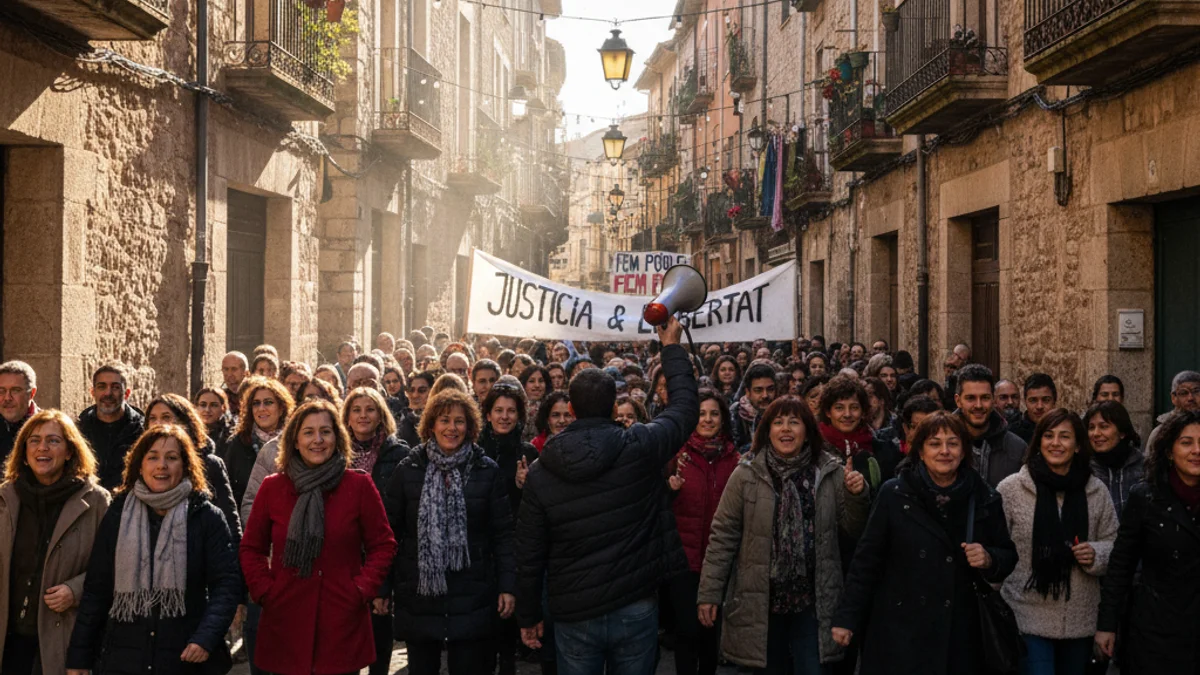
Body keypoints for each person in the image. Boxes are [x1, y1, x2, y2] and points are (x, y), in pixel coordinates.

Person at [516, 318, 698, 675]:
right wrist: (671, 347)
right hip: (634, 603)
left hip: (574, 609)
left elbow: (529, 552)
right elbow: (684, 411)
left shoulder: (541, 470)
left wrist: (529, 614)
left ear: (571, 411)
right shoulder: (640, 446)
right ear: (615, 408)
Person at [832, 412, 1018, 675]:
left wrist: (989, 558)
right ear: (920, 451)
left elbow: (1007, 555)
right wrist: (847, 618)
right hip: (901, 629)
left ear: (964, 451)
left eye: (953, 443)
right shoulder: (895, 494)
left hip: (959, 631)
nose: (944, 451)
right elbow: (866, 561)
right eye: (934, 444)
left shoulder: (983, 496)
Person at [696, 396, 869, 673]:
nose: (786, 429)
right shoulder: (746, 474)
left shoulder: (829, 472)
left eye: (794, 422)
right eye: (778, 422)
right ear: (767, 431)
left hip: (813, 602)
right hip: (761, 602)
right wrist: (709, 593)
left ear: (807, 431)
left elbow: (854, 529)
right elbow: (723, 537)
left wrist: (857, 495)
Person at [66, 425, 242, 675]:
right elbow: (97, 589)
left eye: (172, 458)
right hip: (122, 659)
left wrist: (206, 638)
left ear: (185, 466)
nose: (162, 466)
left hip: (186, 658)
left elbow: (226, 585)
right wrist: (79, 657)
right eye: (153, 457)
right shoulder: (118, 514)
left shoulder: (206, 517)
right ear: (139, 465)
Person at [240, 399, 395, 675]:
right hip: (285, 619)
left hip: (341, 621)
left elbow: (382, 545)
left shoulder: (358, 485)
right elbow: (252, 548)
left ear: (338, 437)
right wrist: (265, 591)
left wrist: (360, 590)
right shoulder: (273, 488)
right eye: (308, 432)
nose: (318, 440)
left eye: (326, 431)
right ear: (295, 441)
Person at [384, 389, 516, 675]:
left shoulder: (486, 470)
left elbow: (503, 535)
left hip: (472, 592)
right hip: (420, 595)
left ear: (470, 426)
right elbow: (389, 535)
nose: (451, 428)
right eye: (444, 420)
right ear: (431, 425)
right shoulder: (409, 469)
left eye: (459, 421)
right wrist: (384, 588)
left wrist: (507, 585)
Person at [997, 409, 1119, 675]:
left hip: (1080, 619)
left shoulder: (1096, 490)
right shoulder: (1011, 489)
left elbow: (1115, 544)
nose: (1055, 443)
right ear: (1038, 441)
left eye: (1064, 437)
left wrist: (1096, 553)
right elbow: (996, 546)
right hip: (1025, 615)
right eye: (1048, 435)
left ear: (1077, 445)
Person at [0, 410, 110, 675]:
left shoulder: (96, 501)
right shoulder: (5, 497)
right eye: (34, 440)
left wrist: (76, 590)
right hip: (7, 639)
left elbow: (113, 566)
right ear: (23, 451)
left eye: (53, 440)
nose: (42, 448)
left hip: (61, 636)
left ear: (70, 451)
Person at [1095, 410, 1200, 673]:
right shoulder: (1145, 497)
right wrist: (1107, 625)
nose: (1197, 451)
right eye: (1186, 442)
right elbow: (1121, 565)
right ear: (1169, 451)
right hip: (1155, 629)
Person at [665, 389, 739, 675]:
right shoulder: (676, 454)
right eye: (701, 414)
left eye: (714, 414)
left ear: (723, 418)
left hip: (718, 561)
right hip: (683, 560)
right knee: (687, 631)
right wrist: (669, 490)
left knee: (710, 632)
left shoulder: (734, 459)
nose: (707, 420)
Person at [340, 387, 409, 675]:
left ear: (381, 415)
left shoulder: (399, 454)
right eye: (356, 410)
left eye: (370, 409)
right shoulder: (335, 453)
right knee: (347, 640)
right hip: (345, 557)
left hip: (383, 555)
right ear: (346, 416)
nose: (363, 415)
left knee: (379, 634)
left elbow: (402, 513)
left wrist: (386, 582)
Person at [144, 394, 241, 545]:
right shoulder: (143, 465)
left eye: (166, 417)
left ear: (184, 422)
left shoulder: (210, 465)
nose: (158, 424)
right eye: (152, 418)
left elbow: (230, 522)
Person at [818, 376, 903, 494]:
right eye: (839, 408)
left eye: (854, 407)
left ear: (863, 412)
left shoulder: (883, 451)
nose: (847, 414)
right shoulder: (816, 448)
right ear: (828, 412)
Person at [222, 377, 294, 507]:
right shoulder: (238, 444)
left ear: (281, 408)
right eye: (256, 403)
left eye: (268, 402)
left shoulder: (294, 442)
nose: (261, 408)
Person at [953, 364, 1026, 487]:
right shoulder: (941, 445)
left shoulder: (1017, 449)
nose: (978, 405)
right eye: (971, 398)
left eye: (985, 398)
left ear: (993, 399)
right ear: (958, 401)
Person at [77, 363, 145, 491]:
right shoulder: (79, 431)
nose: (108, 393)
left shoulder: (142, 430)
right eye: (102, 387)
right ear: (93, 392)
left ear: (127, 393)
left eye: (115, 387)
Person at [1084, 401, 1144, 519]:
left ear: (1122, 432)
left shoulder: (1144, 467)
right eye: (1091, 427)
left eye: (1104, 426)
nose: (1096, 433)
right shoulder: (1084, 468)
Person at [1146, 370, 1200, 452]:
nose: (1190, 398)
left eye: (1196, 391)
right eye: (1183, 393)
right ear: (1174, 398)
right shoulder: (1161, 432)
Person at [731, 363, 779, 454]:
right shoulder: (735, 413)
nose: (765, 395)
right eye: (758, 390)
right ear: (748, 392)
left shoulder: (783, 412)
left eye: (770, 389)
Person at [0, 361, 39, 466]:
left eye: (15, 390)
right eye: (1, 391)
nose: (7, 398)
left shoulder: (50, 427)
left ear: (32, 393)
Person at [1012, 373, 1059, 443]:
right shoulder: (1013, 434)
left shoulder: (1064, 430)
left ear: (1054, 401)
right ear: (1025, 402)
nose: (1039, 406)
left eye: (1046, 400)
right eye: (1033, 400)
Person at [194, 387, 234, 454]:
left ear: (223, 408)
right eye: (203, 405)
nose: (207, 410)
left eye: (214, 405)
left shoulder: (232, 436)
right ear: (196, 407)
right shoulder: (190, 433)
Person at [519, 365, 551, 442]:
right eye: (531, 381)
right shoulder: (516, 408)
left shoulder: (552, 407)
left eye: (541, 381)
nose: (537, 385)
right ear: (524, 385)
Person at [220, 352, 249, 419]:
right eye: (226, 369)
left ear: (246, 373)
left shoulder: (255, 396)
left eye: (234, 369)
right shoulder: (219, 398)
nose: (229, 374)